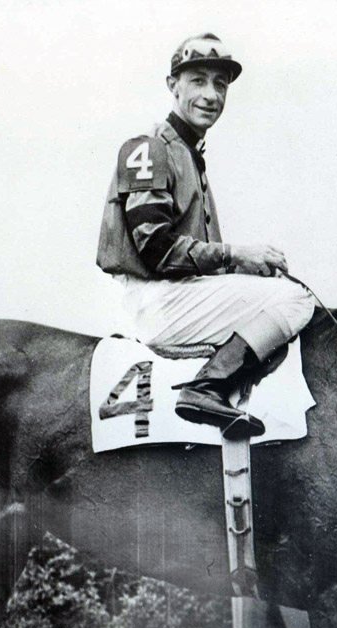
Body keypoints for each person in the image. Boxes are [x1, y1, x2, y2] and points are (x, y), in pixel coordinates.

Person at [97, 33, 316, 439]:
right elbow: (157, 249)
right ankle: (205, 388)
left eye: (220, 84)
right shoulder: (148, 148)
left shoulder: (189, 152)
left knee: (273, 292)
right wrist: (236, 255)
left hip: (174, 296)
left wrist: (246, 268)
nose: (211, 94)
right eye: (198, 80)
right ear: (172, 85)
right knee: (296, 300)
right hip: (154, 300)